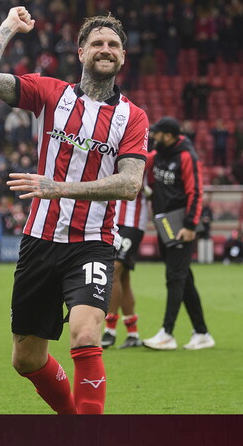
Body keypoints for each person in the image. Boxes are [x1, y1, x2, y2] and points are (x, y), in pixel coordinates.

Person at [0, 6, 149, 414]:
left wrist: (60, 188)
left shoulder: (132, 116)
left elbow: (130, 183)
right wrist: (9, 27)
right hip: (39, 241)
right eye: (98, 43)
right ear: (81, 51)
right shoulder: (51, 94)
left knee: (86, 335)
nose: (107, 49)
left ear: (123, 57)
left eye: (114, 45)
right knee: (26, 358)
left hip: (92, 244)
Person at [142, 116, 215, 351]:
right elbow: (142, 161)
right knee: (183, 280)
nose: (154, 137)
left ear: (171, 135)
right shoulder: (159, 154)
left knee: (175, 278)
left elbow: (196, 192)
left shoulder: (186, 157)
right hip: (164, 223)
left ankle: (167, 333)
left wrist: (191, 226)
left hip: (180, 224)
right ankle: (202, 333)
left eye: (159, 133)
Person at [102, 150, 154, 350]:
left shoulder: (145, 158)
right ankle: (133, 333)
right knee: (123, 277)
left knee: (114, 270)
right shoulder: (110, 151)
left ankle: (110, 330)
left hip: (133, 223)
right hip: (113, 221)